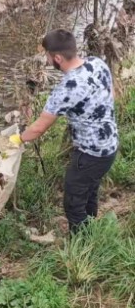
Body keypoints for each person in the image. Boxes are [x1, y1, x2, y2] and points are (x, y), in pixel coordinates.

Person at [13, 29, 118, 235]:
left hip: (89, 154)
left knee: (73, 201)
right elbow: (111, 94)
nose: (46, 60)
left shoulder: (67, 88)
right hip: (110, 145)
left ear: (58, 58)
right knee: (89, 190)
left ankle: (82, 243)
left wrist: (17, 139)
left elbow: (39, 127)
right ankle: (91, 229)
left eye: (47, 56)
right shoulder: (97, 63)